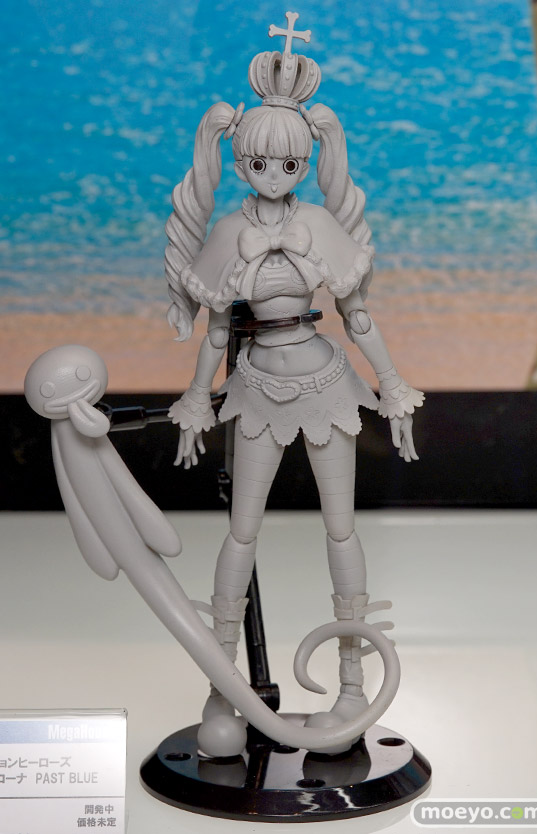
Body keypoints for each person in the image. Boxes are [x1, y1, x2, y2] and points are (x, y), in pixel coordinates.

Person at [164, 13, 423, 756]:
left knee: (340, 528)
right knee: (241, 531)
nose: (272, 176)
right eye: (258, 162)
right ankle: (222, 687)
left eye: (287, 164)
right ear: (239, 158)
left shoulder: (318, 224)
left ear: (304, 162)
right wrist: (196, 396)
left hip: (327, 383)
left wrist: (393, 385)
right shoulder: (227, 232)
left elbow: (358, 315)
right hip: (254, 390)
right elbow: (218, 331)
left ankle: (351, 682)